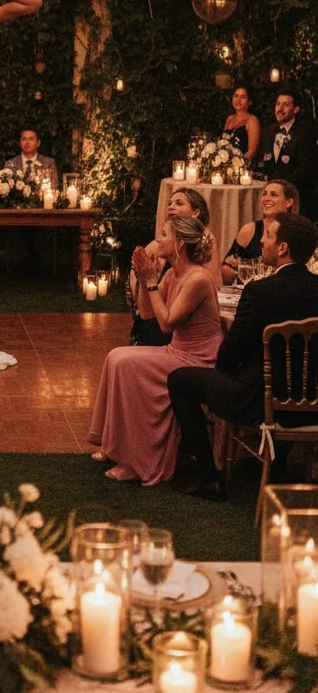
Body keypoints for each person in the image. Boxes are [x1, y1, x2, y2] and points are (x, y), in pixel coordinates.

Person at [168, 213, 318, 499]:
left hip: (258, 401)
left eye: (269, 236)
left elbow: (228, 355)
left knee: (179, 380)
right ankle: (279, 467)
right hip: (312, 401)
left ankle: (209, 477)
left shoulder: (259, 291)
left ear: (283, 247)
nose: (261, 240)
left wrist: (232, 371)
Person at [88, 215, 222, 486]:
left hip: (198, 359)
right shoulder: (173, 272)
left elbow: (166, 324)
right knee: (116, 356)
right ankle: (117, 447)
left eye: (164, 234)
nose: (158, 239)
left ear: (180, 243)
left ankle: (140, 462)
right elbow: (148, 313)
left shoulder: (197, 278)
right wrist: (142, 278)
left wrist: (150, 280)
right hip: (177, 352)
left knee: (127, 365)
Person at [130, 188, 222, 346]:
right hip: (160, 317)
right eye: (170, 203)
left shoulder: (202, 261)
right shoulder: (170, 270)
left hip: (184, 330)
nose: (171, 207)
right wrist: (144, 279)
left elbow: (215, 284)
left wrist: (152, 282)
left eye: (179, 203)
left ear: (196, 213)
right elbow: (145, 309)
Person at [221, 178, 299, 284]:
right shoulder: (249, 230)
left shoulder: (297, 231)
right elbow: (226, 269)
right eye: (265, 194)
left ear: (289, 202)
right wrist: (229, 270)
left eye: (274, 195)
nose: (266, 198)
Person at [257, 89, 318, 219]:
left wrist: (282, 186)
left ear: (295, 109)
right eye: (278, 104)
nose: (280, 108)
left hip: (296, 198)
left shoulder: (304, 133)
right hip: (271, 198)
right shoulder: (269, 131)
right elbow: (264, 161)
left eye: (286, 105)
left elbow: (305, 168)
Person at [6, 126, 58, 190]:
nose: (27, 143)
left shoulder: (48, 163)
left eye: (31, 139)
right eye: (24, 139)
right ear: (20, 142)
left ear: (38, 143)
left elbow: (54, 188)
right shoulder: (10, 164)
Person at [223, 83, 261, 162]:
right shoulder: (229, 118)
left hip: (243, 167)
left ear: (249, 102)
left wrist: (238, 165)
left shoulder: (252, 120)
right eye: (236, 96)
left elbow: (251, 153)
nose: (238, 100)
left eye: (243, 97)